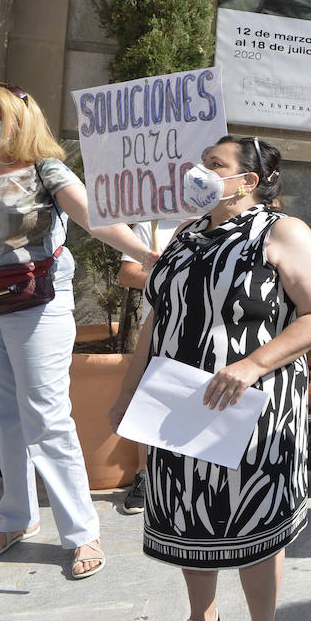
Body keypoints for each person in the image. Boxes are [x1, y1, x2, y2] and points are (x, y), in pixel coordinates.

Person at [110, 136, 311, 621]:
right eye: (201, 162)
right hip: (179, 403)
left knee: (252, 520)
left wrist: (252, 365)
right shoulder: (186, 236)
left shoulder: (282, 232)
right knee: (192, 514)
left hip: (253, 406)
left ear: (248, 181)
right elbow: (157, 318)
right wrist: (128, 391)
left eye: (215, 165)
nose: (200, 171)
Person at [0, 81, 157, 577]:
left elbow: (94, 218)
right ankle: (15, 519)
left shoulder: (47, 170)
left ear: (17, 121)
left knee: (46, 417)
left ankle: (82, 533)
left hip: (34, 304)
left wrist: (145, 254)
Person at [117, 219, 181, 515]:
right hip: (157, 328)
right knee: (149, 406)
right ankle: (144, 476)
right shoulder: (150, 225)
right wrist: (170, 278)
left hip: (210, 331)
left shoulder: (223, 220)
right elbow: (127, 273)